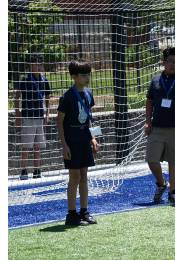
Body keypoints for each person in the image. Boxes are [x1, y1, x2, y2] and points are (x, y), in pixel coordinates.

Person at [144, 47, 175, 205]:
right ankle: (161, 184)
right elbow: (149, 101)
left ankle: (173, 192)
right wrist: (147, 121)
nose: (173, 64)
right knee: (151, 159)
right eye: (170, 61)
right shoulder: (155, 80)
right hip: (157, 127)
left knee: (174, 161)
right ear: (164, 62)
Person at [57, 60, 99, 225]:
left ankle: (84, 211)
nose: (87, 77)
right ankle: (71, 213)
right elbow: (59, 121)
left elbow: (90, 119)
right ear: (74, 77)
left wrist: (93, 138)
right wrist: (64, 145)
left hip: (84, 139)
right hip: (72, 140)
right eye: (83, 75)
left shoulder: (88, 94)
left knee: (84, 176)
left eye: (88, 74)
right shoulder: (67, 97)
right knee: (74, 177)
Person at [14, 54, 51, 180]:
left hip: (39, 117)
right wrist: (18, 115)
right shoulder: (25, 80)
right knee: (26, 145)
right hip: (28, 117)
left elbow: (47, 98)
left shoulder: (44, 80)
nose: (38, 66)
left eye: (40, 63)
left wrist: (47, 114)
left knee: (38, 146)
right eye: (35, 63)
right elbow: (17, 97)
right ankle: (23, 171)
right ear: (30, 65)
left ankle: (37, 171)